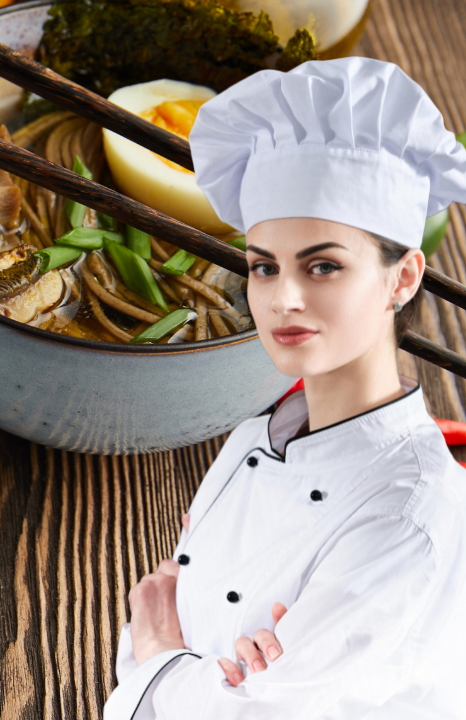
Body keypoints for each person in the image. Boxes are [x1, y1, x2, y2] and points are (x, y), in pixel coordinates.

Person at [103, 57, 466, 719]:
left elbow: (160, 646)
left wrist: (161, 651)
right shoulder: (255, 436)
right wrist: (201, 677)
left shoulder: (412, 514)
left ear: (403, 278)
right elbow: (172, 619)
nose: (283, 299)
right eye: (264, 267)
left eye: (323, 265)